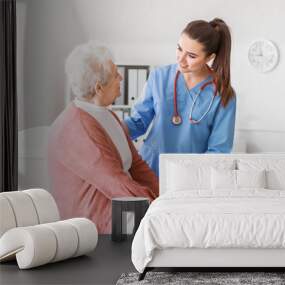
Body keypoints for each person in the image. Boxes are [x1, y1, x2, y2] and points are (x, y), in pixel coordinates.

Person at [48, 43, 159, 234]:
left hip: (122, 212)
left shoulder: (108, 115)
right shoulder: (76, 128)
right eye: (116, 75)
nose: (121, 78)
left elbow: (137, 165)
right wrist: (160, 205)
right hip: (97, 230)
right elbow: (117, 184)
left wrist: (164, 194)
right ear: (99, 88)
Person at [124, 18, 236, 176]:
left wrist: (196, 177)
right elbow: (138, 122)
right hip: (148, 169)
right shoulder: (159, 77)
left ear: (209, 58)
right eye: (179, 48)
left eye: (191, 56)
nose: (181, 59)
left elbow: (219, 149)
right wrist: (107, 129)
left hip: (191, 176)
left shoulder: (223, 94)